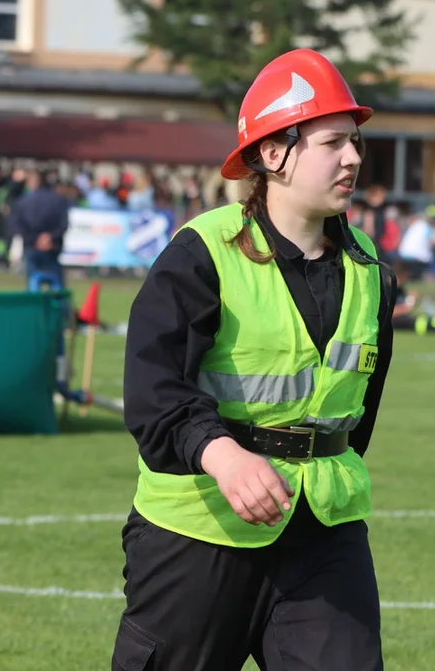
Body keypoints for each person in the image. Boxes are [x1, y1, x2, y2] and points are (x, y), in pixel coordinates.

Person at [111, 49, 396, 671]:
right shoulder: (199, 253)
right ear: (274, 153)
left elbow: (359, 410)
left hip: (325, 533)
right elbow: (152, 390)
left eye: (355, 142)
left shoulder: (371, 267)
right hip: (197, 531)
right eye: (332, 143)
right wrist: (223, 454)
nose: (353, 158)